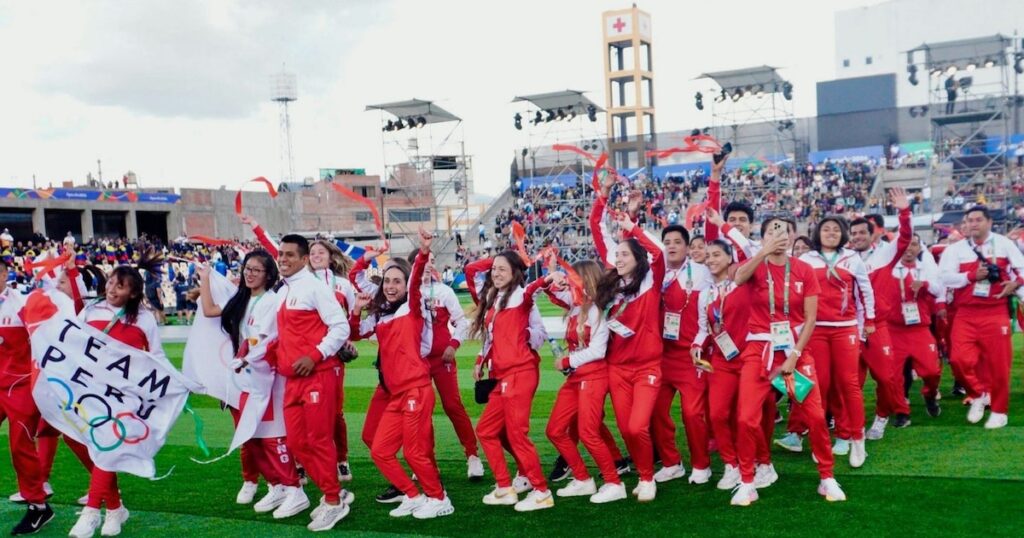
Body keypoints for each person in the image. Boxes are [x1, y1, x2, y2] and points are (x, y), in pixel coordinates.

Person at [730, 217, 845, 506]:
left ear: (794, 236)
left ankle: (826, 476)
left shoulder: (804, 270)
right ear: (764, 236)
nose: (778, 235)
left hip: (794, 351)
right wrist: (762, 251)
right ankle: (747, 480)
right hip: (759, 351)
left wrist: (794, 356)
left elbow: (810, 318)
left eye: (783, 231)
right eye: (771, 231)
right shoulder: (757, 265)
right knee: (746, 417)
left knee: (816, 416)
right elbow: (737, 278)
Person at [245, 234, 353, 531]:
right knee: (296, 443)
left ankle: (332, 500)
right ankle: (334, 493)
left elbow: (341, 326)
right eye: (281, 254)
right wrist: (249, 351)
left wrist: (315, 355)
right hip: (293, 378)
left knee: (317, 440)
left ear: (305, 259)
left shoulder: (314, 288)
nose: (283, 259)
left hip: (317, 374)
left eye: (290, 255)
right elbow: (275, 335)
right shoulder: (283, 291)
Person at [350, 228, 454, 519]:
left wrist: (422, 251)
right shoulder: (382, 315)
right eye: (387, 281)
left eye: (397, 280)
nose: (390, 285)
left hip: (416, 390)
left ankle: (439, 498)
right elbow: (355, 334)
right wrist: (357, 310)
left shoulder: (412, 308)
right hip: (396, 394)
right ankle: (412, 494)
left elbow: (418, 273)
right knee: (380, 451)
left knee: (413, 452)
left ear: (407, 284)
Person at [197, 251, 305, 518]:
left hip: (267, 377)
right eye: (248, 268)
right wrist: (205, 278)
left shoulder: (272, 301)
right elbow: (210, 311)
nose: (250, 273)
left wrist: (247, 357)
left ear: (269, 275)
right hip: (245, 377)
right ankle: (277, 485)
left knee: (271, 436)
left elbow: (269, 340)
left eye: (257, 270)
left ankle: (295, 489)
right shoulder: (242, 300)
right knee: (252, 437)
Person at [70, 256, 168, 537]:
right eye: (111, 283)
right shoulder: (90, 311)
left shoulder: (144, 319)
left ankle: (91, 513)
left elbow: (156, 358)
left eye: (120, 287)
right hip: (90, 392)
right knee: (97, 447)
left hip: (126, 397)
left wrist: (173, 384)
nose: (112, 290)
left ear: (134, 292)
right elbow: (73, 343)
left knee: (107, 444)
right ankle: (115, 509)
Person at [590, 181, 666, 503]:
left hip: (647, 366)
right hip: (617, 369)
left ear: (636, 258)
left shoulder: (649, 281)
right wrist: (603, 196)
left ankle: (648, 478)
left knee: (637, 427)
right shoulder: (611, 287)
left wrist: (632, 227)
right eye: (615, 254)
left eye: (624, 254)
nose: (617, 259)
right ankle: (644, 473)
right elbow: (595, 226)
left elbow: (658, 252)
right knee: (625, 428)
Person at [466, 250, 555, 512]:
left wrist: (547, 278)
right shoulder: (496, 299)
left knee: (517, 435)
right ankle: (505, 487)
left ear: (515, 272)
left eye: (502, 269)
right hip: (504, 375)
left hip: (521, 372)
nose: (496, 273)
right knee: (485, 431)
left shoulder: (520, 295)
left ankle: (541, 491)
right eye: (493, 269)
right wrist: (481, 360)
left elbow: (533, 290)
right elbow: (492, 338)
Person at [543, 258, 628, 504]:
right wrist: (551, 275)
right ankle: (582, 479)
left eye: (572, 279)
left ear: (585, 281)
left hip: (593, 376)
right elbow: (553, 293)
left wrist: (568, 361)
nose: (568, 284)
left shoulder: (597, 310)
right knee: (555, 430)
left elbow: (598, 351)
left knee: (588, 431)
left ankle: (614, 483)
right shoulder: (577, 305)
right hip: (576, 377)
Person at [795, 215, 876, 468]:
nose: (830, 233)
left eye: (835, 229)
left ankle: (856, 439)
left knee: (849, 384)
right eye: (825, 229)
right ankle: (820, 441)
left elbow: (865, 291)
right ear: (817, 233)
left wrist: (867, 323)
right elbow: (797, 295)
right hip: (815, 330)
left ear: (843, 234)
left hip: (845, 329)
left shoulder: (853, 258)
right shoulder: (806, 259)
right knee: (819, 387)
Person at [938, 205, 1024, 429]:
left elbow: (1022, 269)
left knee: (998, 364)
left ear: (989, 222)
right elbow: (944, 278)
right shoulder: (955, 250)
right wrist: (970, 276)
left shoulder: (1005, 244)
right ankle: (979, 392)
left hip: (995, 310)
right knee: (959, 359)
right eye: (969, 220)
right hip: (965, 312)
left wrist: (1016, 283)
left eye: (977, 220)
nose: (973, 224)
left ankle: (999, 410)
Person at [404, 249, 482, 480]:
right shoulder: (407, 294)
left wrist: (454, 344)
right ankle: (427, 460)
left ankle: (473, 456)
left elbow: (461, 322)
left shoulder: (444, 291)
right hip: (417, 363)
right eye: (424, 262)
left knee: (453, 405)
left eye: (432, 261)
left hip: (442, 359)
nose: (430, 265)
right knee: (421, 411)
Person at [648, 216, 713, 485]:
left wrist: (698, 345)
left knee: (691, 413)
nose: (671, 246)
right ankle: (671, 462)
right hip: (660, 356)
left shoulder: (700, 273)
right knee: (654, 410)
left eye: (677, 242)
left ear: (688, 247)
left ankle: (701, 465)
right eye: (667, 242)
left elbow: (705, 320)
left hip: (690, 355)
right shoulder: (654, 275)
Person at [0, 262, 57, 535]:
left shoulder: (21, 303)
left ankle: (38, 507)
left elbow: (49, 335)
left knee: (19, 446)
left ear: (3, 274)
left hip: (21, 386)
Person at [691, 239, 751, 491]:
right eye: (708, 256)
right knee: (716, 413)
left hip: (750, 356)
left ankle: (757, 462)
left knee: (747, 416)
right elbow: (703, 329)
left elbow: (747, 250)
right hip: (721, 359)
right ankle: (731, 464)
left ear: (730, 258)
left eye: (717, 254)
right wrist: (695, 346)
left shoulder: (742, 282)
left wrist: (722, 225)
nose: (711, 259)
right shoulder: (705, 294)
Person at [309, 239, 358, 483]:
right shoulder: (301, 284)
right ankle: (301, 463)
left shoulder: (343, 285)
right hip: (307, 355)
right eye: (312, 253)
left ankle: (342, 460)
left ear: (331, 257)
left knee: (335, 411)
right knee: (306, 410)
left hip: (334, 354)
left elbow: (349, 318)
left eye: (321, 252)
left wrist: (346, 341)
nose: (316, 256)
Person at [885, 234, 945, 418]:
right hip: (894, 330)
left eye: (914, 245)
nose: (910, 248)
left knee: (932, 371)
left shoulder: (925, 269)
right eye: (906, 244)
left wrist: (925, 284)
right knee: (893, 376)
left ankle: (929, 394)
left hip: (920, 329)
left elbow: (939, 290)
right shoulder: (889, 269)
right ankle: (902, 412)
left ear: (920, 249)